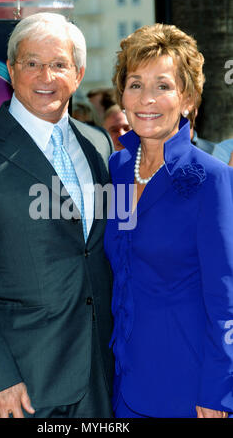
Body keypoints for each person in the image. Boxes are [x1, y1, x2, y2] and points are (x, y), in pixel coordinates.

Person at [0, 12, 114, 418]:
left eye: (58, 64)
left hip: (102, 379)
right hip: (22, 386)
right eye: (31, 63)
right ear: (12, 71)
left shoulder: (99, 145)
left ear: (79, 73)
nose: (45, 76)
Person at [104, 23, 233, 418]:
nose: (147, 99)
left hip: (188, 388)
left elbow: (225, 298)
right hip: (124, 382)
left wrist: (218, 394)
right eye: (135, 84)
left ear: (188, 99)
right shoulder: (119, 168)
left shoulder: (211, 178)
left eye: (163, 86)